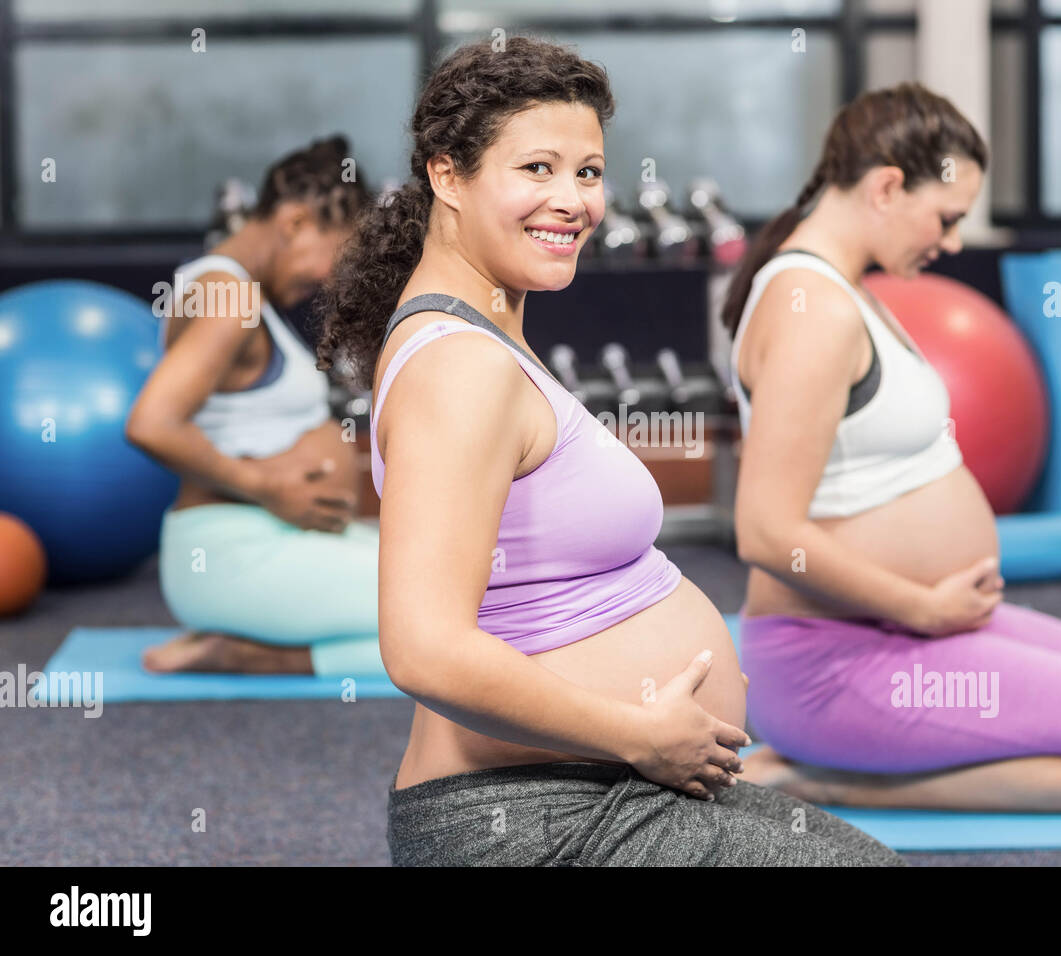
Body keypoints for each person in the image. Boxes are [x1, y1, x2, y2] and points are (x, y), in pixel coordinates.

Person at [316, 37, 904, 866]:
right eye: (537, 169)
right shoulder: (460, 367)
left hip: (592, 785)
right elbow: (422, 647)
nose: (573, 201)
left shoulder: (479, 333)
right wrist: (640, 732)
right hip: (531, 817)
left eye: (588, 173)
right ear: (448, 176)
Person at [723, 83, 1061, 812]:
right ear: (886, 187)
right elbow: (766, 533)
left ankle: (837, 754)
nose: (953, 240)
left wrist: (929, 612)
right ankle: (820, 778)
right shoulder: (812, 310)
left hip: (900, 633)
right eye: (947, 216)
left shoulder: (845, 290)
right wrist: (922, 608)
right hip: (838, 659)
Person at [126, 136, 384, 678]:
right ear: (293, 223)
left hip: (264, 543)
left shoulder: (235, 292)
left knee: (466, 582)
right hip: (236, 554)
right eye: (333, 256)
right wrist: (271, 488)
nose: (329, 280)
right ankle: (260, 655)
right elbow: (151, 424)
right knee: (472, 613)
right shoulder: (229, 296)